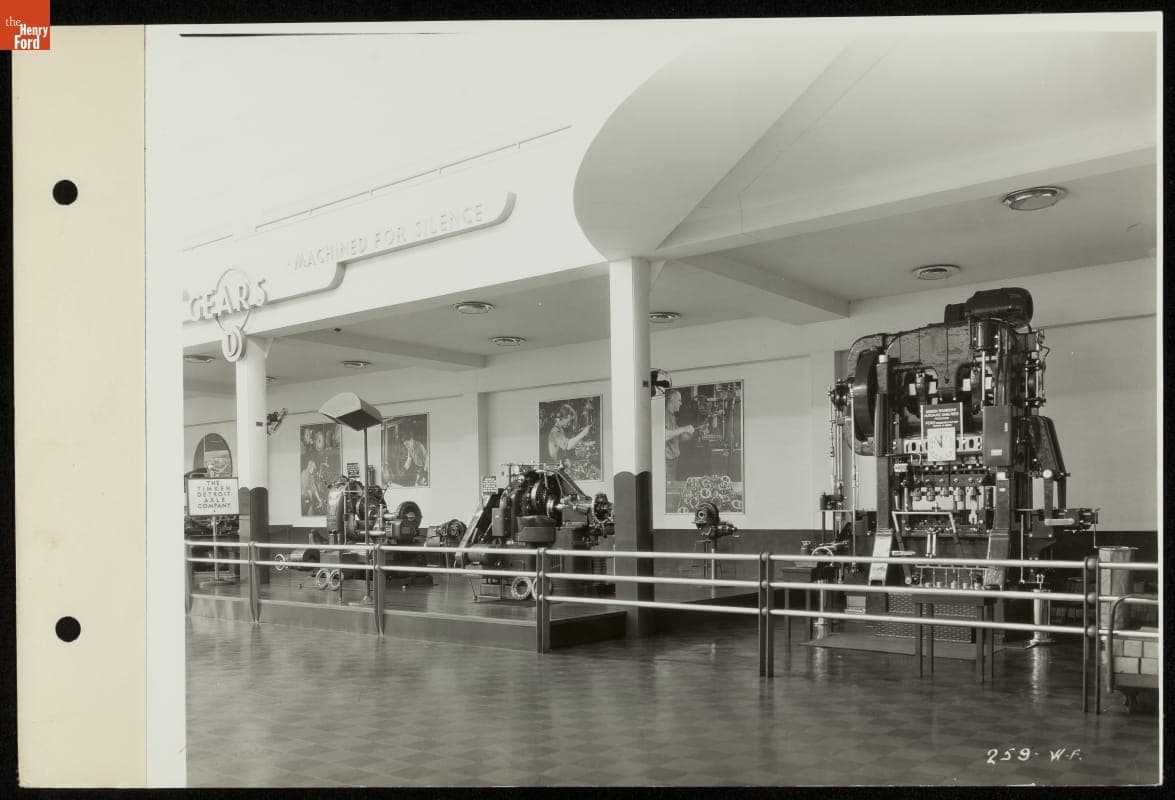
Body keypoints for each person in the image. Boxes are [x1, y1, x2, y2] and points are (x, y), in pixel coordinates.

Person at [664, 390, 695, 483]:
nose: (681, 404)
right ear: (672, 399)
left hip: (673, 463)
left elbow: (679, 437)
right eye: (679, 400)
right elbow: (663, 435)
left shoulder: (672, 417)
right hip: (666, 464)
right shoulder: (663, 414)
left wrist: (694, 433)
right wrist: (685, 428)